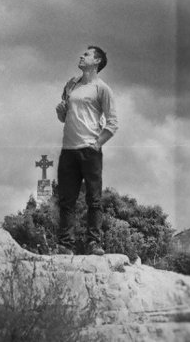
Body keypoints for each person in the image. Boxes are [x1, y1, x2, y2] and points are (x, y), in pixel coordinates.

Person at [54, 46, 118, 256]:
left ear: (97, 61)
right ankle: (65, 245)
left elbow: (113, 123)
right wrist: (61, 112)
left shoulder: (102, 89)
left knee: (94, 199)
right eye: (83, 53)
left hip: (90, 150)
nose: (82, 56)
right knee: (66, 200)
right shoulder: (71, 84)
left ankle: (93, 243)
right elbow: (64, 117)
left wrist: (97, 143)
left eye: (87, 54)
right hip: (68, 149)